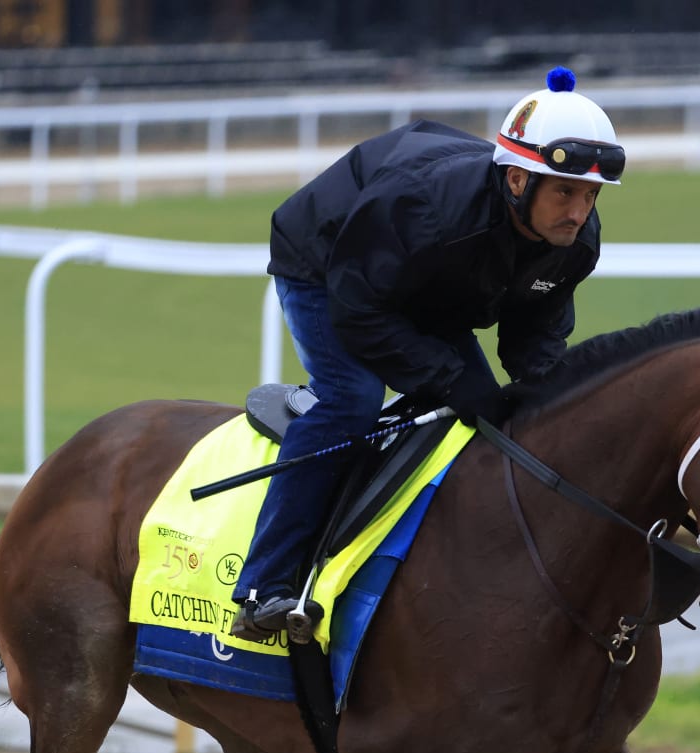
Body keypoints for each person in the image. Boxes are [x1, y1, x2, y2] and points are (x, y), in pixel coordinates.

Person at [229, 66, 626, 644]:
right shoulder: (429, 210)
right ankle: (266, 584)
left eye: (590, 196)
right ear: (516, 181)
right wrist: (448, 378)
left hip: (425, 282)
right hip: (331, 267)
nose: (579, 211)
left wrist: (548, 399)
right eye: (565, 191)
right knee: (355, 399)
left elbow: (534, 341)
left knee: (500, 415)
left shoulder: (574, 243)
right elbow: (358, 309)